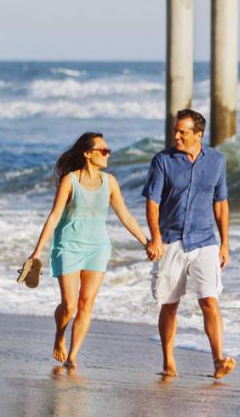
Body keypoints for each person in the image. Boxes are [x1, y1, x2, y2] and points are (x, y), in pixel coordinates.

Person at [26, 132, 150, 370]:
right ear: (87, 153)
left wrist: (146, 241)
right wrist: (37, 252)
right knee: (69, 305)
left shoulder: (110, 182)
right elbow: (54, 216)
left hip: (98, 248)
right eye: (103, 150)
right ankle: (60, 335)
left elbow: (125, 215)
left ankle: (72, 357)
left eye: (108, 150)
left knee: (87, 303)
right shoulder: (70, 180)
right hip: (68, 245)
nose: (107, 154)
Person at [143, 109, 236, 379]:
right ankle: (168, 361)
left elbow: (221, 203)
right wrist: (156, 237)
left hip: (205, 240)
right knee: (169, 303)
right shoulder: (163, 160)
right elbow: (152, 202)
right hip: (171, 239)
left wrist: (225, 243)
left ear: (198, 134)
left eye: (182, 132)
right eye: (176, 130)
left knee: (209, 300)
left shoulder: (216, 161)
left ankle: (218, 360)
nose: (176, 136)